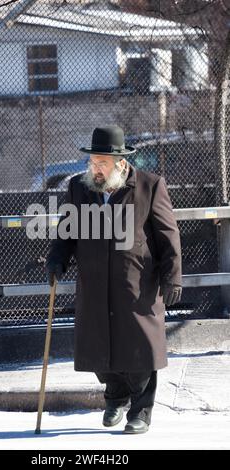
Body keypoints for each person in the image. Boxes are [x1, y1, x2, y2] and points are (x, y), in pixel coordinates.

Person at [45, 125, 182, 434]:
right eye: (93, 161)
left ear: (120, 162)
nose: (95, 167)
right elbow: (67, 231)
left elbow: (167, 235)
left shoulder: (148, 186)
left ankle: (141, 410)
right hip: (94, 284)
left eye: (102, 162)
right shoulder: (80, 189)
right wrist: (56, 258)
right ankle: (115, 397)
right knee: (98, 349)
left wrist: (172, 277)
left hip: (136, 286)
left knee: (138, 350)